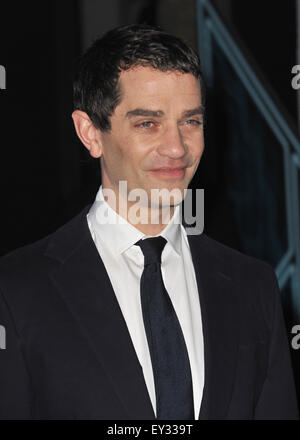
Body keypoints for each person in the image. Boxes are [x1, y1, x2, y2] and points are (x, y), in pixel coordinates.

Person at [0, 24, 298, 420]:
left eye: (190, 121)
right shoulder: (17, 290)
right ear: (90, 133)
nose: (176, 147)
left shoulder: (253, 286)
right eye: (148, 123)